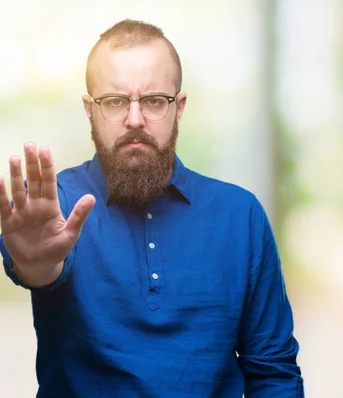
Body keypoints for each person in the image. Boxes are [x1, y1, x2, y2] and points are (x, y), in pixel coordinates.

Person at [0, 19, 304, 397]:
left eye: (154, 101)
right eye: (114, 101)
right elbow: (38, 264)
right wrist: (35, 264)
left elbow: (273, 372)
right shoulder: (57, 204)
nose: (134, 119)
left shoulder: (240, 216)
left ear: (179, 107)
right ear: (89, 110)